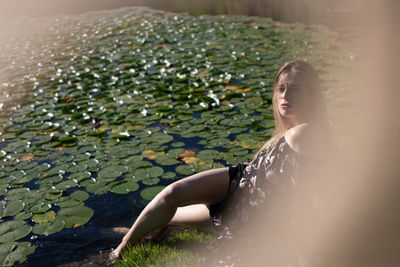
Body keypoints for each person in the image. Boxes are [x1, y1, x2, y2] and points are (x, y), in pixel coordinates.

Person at [109, 60, 329, 262]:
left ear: (312, 96)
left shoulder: (305, 133)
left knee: (171, 203)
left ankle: (122, 248)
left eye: (296, 89)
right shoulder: (295, 129)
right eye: (281, 89)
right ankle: (130, 240)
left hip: (247, 208)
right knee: (171, 198)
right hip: (241, 181)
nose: (285, 96)